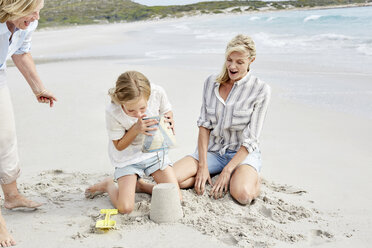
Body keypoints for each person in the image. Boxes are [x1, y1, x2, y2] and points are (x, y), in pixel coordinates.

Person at [173, 34, 271, 205]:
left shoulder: (261, 89)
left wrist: (228, 170)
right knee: (172, 178)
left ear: (251, 60)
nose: (232, 66)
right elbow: (204, 126)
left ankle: (251, 177)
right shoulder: (211, 83)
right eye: (229, 60)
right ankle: (213, 172)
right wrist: (203, 166)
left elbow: (251, 140)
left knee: (243, 195)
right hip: (213, 151)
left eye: (239, 62)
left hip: (241, 154)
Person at [0, 0, 57, 246]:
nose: (36, 17)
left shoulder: (26, 24)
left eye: (39, 11)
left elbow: (21, 52)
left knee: (6, 136)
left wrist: (38, 88)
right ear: (13, 6)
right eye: (32, 11)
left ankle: (11, 196)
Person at [85, 71, 182, 214]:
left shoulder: (157, 92)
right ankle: (108, 185)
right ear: (121, 102)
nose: (138, 114)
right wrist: (135, 129)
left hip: (154, 152)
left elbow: (167, 111)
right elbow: (118, 146)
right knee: (125, 208)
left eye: (142, 108)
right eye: (131, 110)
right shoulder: (113, 111)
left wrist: (169, 119)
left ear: (148, 96)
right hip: (128, 157)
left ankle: (141, 186)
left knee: (175, 199)